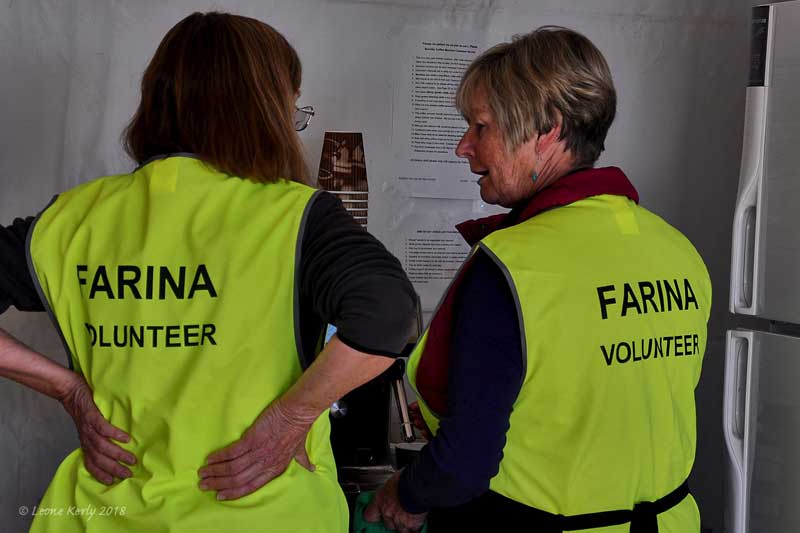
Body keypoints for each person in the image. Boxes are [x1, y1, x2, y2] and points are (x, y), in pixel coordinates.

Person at [0, 12, 416, 533]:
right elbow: (388, 314)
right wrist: (291, 417)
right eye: (293, 110)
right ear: (266, 112)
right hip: (261, 514)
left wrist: (69, 389)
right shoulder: (294, 217)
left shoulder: (73, 218)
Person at [365, 26, 710, 533]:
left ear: (547, 129)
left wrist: (406, 494)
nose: (463, 147)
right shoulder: (675, 248)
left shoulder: (512, 265)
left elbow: (464, 464)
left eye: (480, 126)